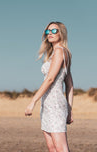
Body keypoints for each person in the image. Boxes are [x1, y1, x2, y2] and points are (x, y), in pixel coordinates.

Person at [25, 21, 74, 152]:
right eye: (48, 31)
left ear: (61, 33)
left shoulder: (60, 52)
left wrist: (32, 101)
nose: (50, 34)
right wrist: (69, 110)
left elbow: (50, 79)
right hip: (47, 105)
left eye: (54, 31)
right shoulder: (54, 53)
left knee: (61, 148)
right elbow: (70, 84)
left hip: (55, 105)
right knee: (51, 147)